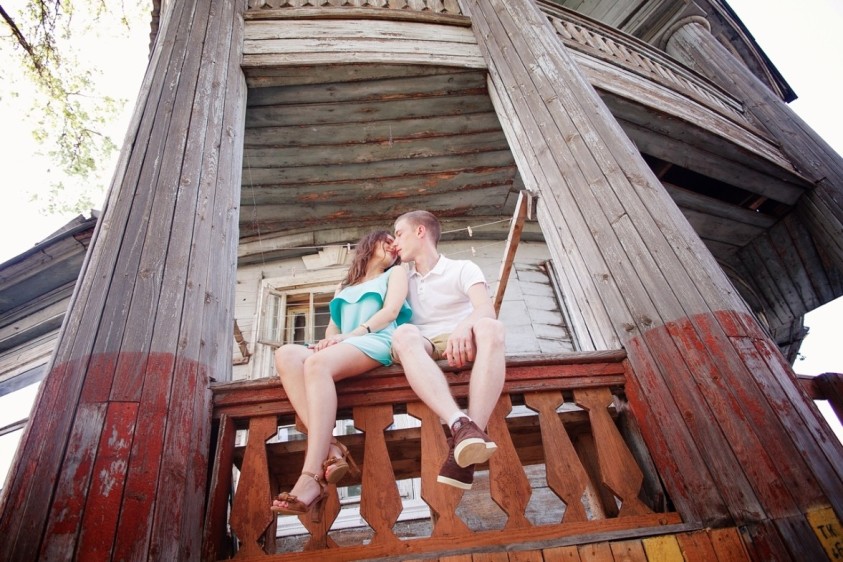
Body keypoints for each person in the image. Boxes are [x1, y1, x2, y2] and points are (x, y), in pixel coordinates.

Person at [271, 230, 411, 521]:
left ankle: (311, 476)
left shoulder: (396, 273)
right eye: (387, 241)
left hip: (378, 339)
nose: (394, 247)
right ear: (370, 244)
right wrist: (329, 340)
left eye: (396, 244)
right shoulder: (344, 285)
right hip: (344, 344)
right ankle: (332, 447)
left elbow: (391, 311)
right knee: (286, 354)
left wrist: (351, 335)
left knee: (316, 365)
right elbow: (333, 327)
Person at [391, 210, 506, 490]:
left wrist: (464, 326)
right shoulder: (400, 278)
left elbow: (485, 308)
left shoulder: (463, 267)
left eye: (399, 234)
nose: (395, 242)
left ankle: (468, 440)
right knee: (404, 333)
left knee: (491, 326)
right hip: (423, 344)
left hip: (462, 341)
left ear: (420, 231)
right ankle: (461, 426)